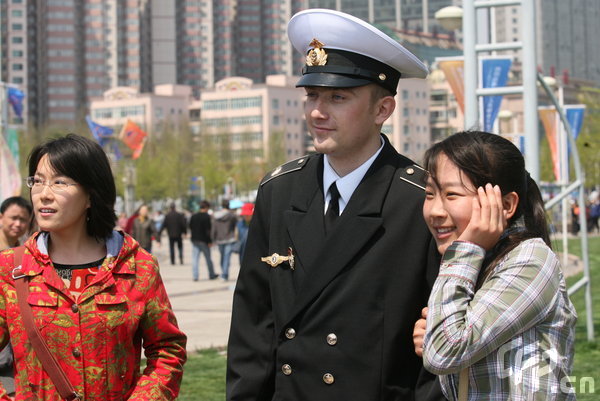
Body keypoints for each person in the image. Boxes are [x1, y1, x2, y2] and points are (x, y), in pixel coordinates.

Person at [227, 9, 443, 401]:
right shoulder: (280, 191)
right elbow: (252, 325)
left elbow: (435, 350)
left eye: (337, 97)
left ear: (383, 109)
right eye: (312, 95)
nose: (316, 113)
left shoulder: (420, 200)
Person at [0, 134, 187, 399]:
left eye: (59, 182)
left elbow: (168, 349)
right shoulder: (11, 268)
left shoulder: (136, 266)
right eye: (38, 181)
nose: (44, 194)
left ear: (91, 195)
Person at [415, 131, 577, 400]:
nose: (435, 211)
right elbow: (448, 347)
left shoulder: (530, 260)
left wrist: (467, 249)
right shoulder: (478, 263)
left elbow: (445, 352)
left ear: (505, 204)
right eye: (430, 194)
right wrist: (435, 331)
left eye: (451, 194)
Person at [0, 196, 32, 397]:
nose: (18, 224)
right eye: (13, 218)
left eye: (23, 219)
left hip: (15, 354)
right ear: (1, 217)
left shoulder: (24, 256)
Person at [189, 200, 218, 281]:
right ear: (206, 208)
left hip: (195, 240)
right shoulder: (206, 216)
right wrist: (209, 241)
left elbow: (190, 226)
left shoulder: (193, 216)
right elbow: (208, 230)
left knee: (195, 259)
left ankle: (195, 276)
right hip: (204, 241)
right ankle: (211, 274)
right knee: (208, 258)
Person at [211, 200, 238, 281]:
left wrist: (213, 238)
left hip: (219, 239)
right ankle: (225, 274)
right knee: (226, 257)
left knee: (222, 257)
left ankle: (224, 273)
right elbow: (235, 226)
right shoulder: (232, 216)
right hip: (229, 238)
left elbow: (214, 228)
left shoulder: (215, 216)